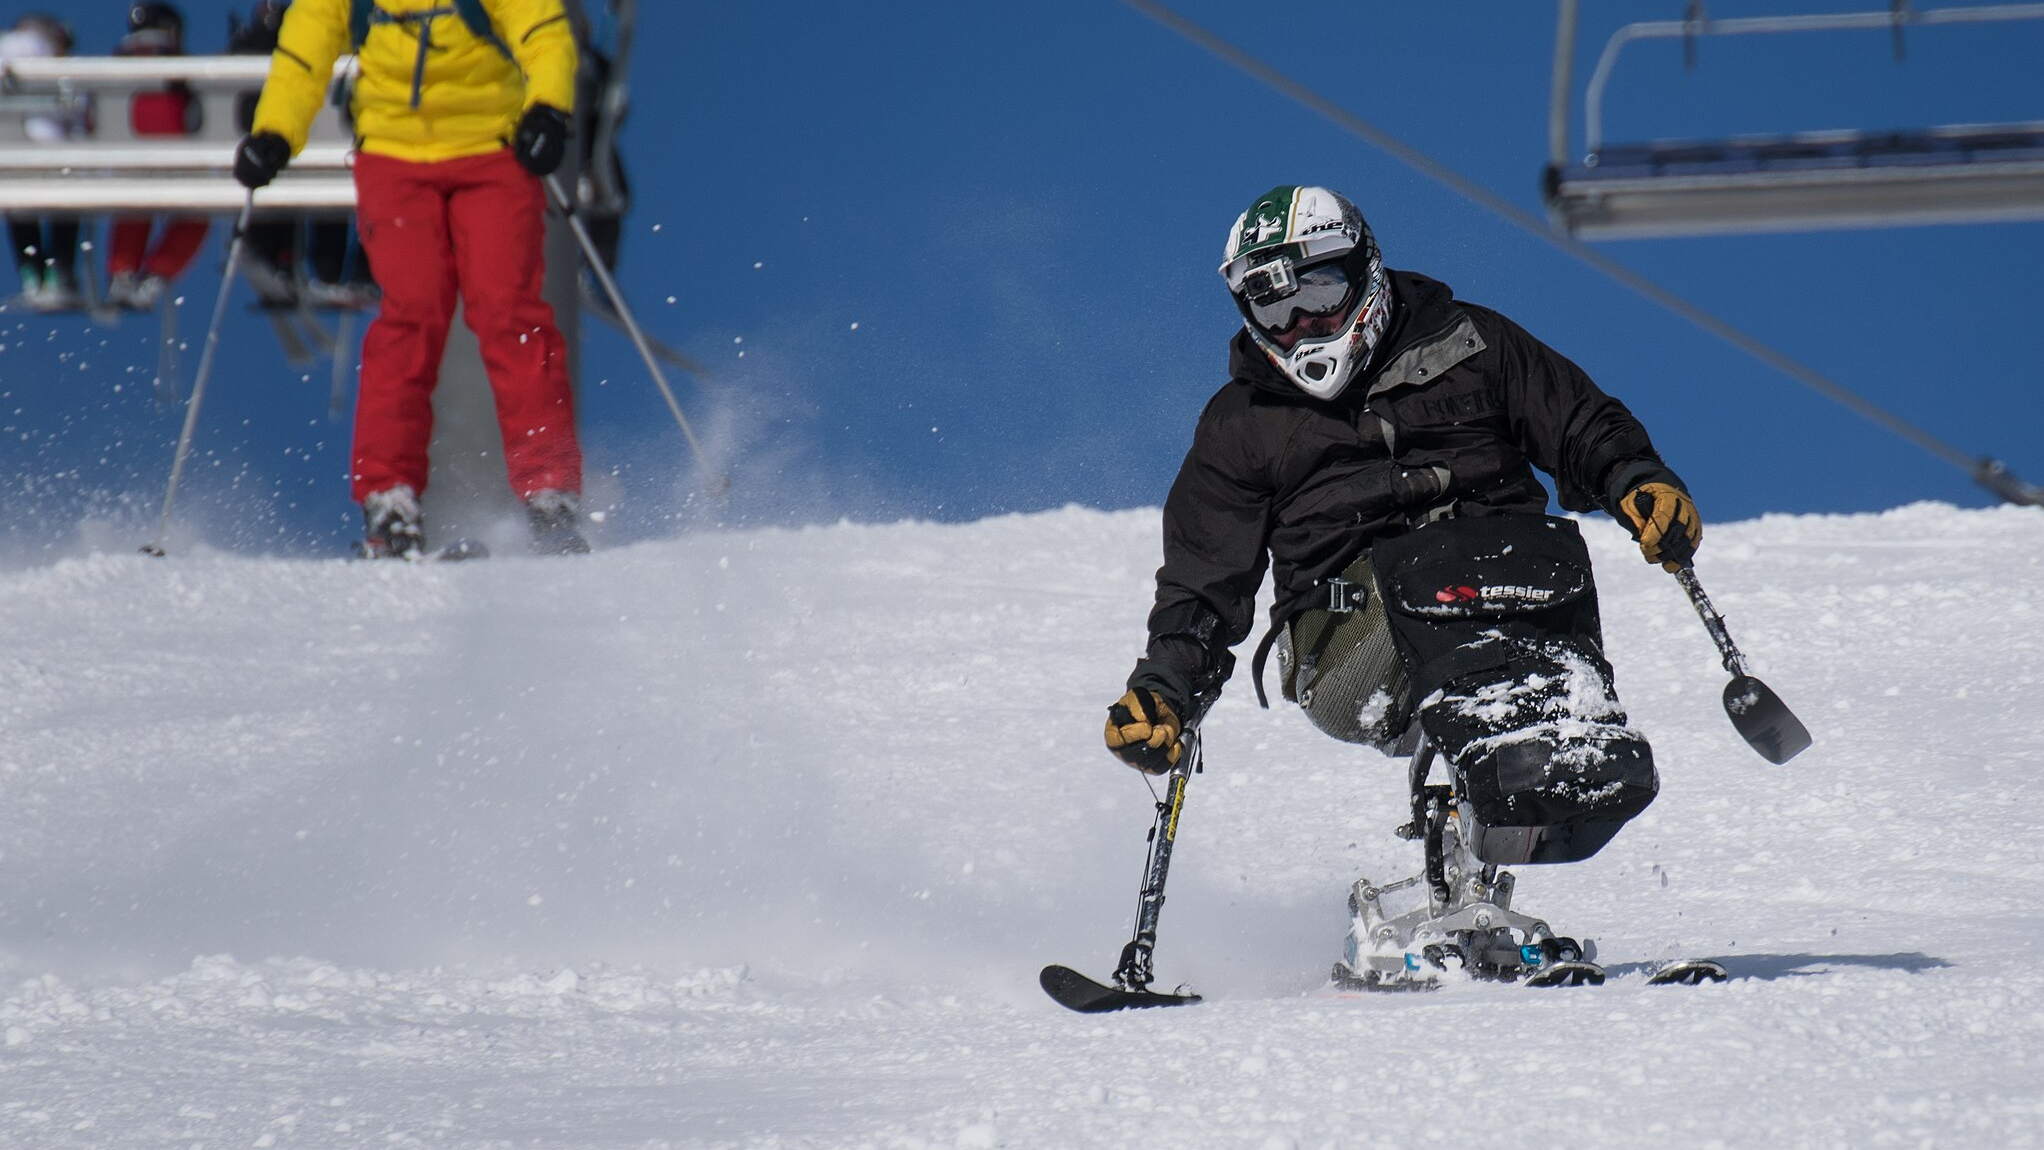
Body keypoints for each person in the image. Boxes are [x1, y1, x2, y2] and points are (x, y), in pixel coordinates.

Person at [1103, 186, 1703, 875]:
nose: (1301, 323)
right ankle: (1515, 735)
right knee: (1434, 558)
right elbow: (1205, 578)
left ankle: (1550, 774)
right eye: (1275, 306)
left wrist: (1637, 482)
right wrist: (1167, 689)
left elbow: (1579, 423)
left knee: (1538, 549)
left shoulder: (1474, 344)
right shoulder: (1240, 424)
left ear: (1365, 272)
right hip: (1352, 646)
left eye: (1319, 291)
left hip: (1513, 605)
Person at [231, 0, 589, 558]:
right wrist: (274, 132)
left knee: (508, 312)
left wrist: (547, 109)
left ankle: (549, 492)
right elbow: (304, 53)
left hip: (492, 149)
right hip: (395, 157)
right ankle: (389, 495)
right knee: (411, 316)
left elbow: (541, 28)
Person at [105, 2, 210, 313]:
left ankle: (122, 270)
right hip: (171, 150)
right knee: (195, 215)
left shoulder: (115, 62)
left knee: (134, 208)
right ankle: (156, 274)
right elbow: (200, 107)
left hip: (127, 153)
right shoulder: (176, 62)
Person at [2, 13, 89, 310]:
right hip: (49, 146)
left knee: (19, 207)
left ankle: (33, 272)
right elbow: (78, 114)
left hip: (11, 153)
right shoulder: (45, 53)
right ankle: (58, 271)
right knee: (66, 205)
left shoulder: (7, 47)